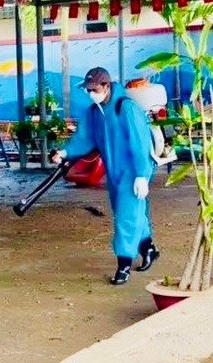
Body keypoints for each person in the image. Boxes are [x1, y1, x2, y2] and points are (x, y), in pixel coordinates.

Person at [52, 67, 159, 285]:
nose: (91, 93)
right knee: (132, 212)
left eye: (94, 89)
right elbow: (84, 138)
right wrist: (64, 152)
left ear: (106, 86)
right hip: (113, 170)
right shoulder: (95, 112)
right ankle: (148, 248)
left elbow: (140, 142)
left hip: (133, 171)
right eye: (88, 90)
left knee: (125, 217)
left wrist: (141, 174)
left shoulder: (126, 108)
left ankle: (123, 265)